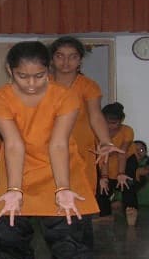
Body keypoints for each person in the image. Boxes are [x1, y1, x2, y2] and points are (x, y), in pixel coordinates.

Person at [0, 41, 103, 259]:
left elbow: (58, 143)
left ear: (48, 70)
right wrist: (14, 189)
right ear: (9, 70)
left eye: (39, 76)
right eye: (23, 76)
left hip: (59, 163)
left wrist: (63, 188)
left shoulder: (64, 96)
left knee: (69, 220)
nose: (32, 84)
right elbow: (13, 144)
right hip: (17, 163)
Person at [49, 36, 116, 213]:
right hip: (49, 149)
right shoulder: (42, 84)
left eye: (72, 56)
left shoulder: (88, 86)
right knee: (51, 199)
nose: (66, 61)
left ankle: (78, 237)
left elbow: (96, 116)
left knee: (81, 200)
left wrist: (105, 141)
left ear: (80, 60)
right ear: (52, 59)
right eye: (60, 56)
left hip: (81, 150)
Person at [98, 102, 137, 225]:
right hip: (105, 161)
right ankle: (105, 214)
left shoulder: (127, 130)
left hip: (126, 160)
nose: (110, 126)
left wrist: (121, 173)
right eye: (107, 122)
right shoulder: (99, 132)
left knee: (127, 185)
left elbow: (122, 153)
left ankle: (132, 211)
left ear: (122, 120)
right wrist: (104, 177)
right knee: (103, 187)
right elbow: (103, 155)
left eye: (114, 123)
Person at [132, 141, 149, 207]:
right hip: (130, 196)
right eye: (135, 150)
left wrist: (137, 171)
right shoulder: (125, 162)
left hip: (148, 197)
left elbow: (146, 171)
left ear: (146, 151)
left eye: (141, 150)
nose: (138, 152)